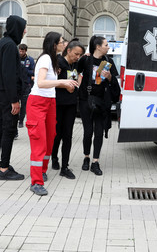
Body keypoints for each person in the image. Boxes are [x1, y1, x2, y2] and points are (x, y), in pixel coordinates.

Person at [26, 31, 79, 195]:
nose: (65, 44)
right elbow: (41, 82)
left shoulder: (54, 59)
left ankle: (42, 170)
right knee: (39, 142)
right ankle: (36, 182)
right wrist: (62, 81)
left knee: (50, 139)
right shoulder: (45, 58)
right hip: (38, 102)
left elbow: (49, 83)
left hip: (50, 102)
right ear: (54, 44)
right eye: (62, 41)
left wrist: (67, 84)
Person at [77, 35, 120, 176]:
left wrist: (109, 77)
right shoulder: (86, 60)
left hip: (102, 102)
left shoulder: (109, 61)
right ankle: (86, 157)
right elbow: (74, 69)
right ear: (98, 46)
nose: (108, 47)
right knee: (88, 131)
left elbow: (115, 83)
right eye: (106, 44)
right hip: (85, 100)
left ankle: (95, 161)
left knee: (99, 132)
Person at [0, 15, 26, 181]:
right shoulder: (11, 46)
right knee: (8, 130)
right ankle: (4, 169)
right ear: (17, 28)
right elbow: (9, 74)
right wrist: (14, 100)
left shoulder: (0, 43)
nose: (25, 31)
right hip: (6, 95)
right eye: (23, 27)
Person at [51, 40, 85, 179]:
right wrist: (65, 85)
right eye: (76, 54)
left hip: (71, 104)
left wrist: (76, 84)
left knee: (68, 135)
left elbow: (78, 77)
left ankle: (65, 167)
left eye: (80, 55)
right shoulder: (58, 62)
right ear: (68, 50)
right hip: (58, 103)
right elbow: (50, 82)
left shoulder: (76, 64)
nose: (77, 57)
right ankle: (54, 157)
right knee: (56, 134)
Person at [18, 44, 35, 128]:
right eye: (20, 51)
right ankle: (16, 118)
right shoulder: (15, 58)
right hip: (17, 84)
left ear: (25, 51)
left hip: (26, 84)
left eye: (22, 51)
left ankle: (21, 120)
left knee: (24, 104)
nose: (21, 53)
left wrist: (24, 71)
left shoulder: (30, 60)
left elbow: (33, 71)